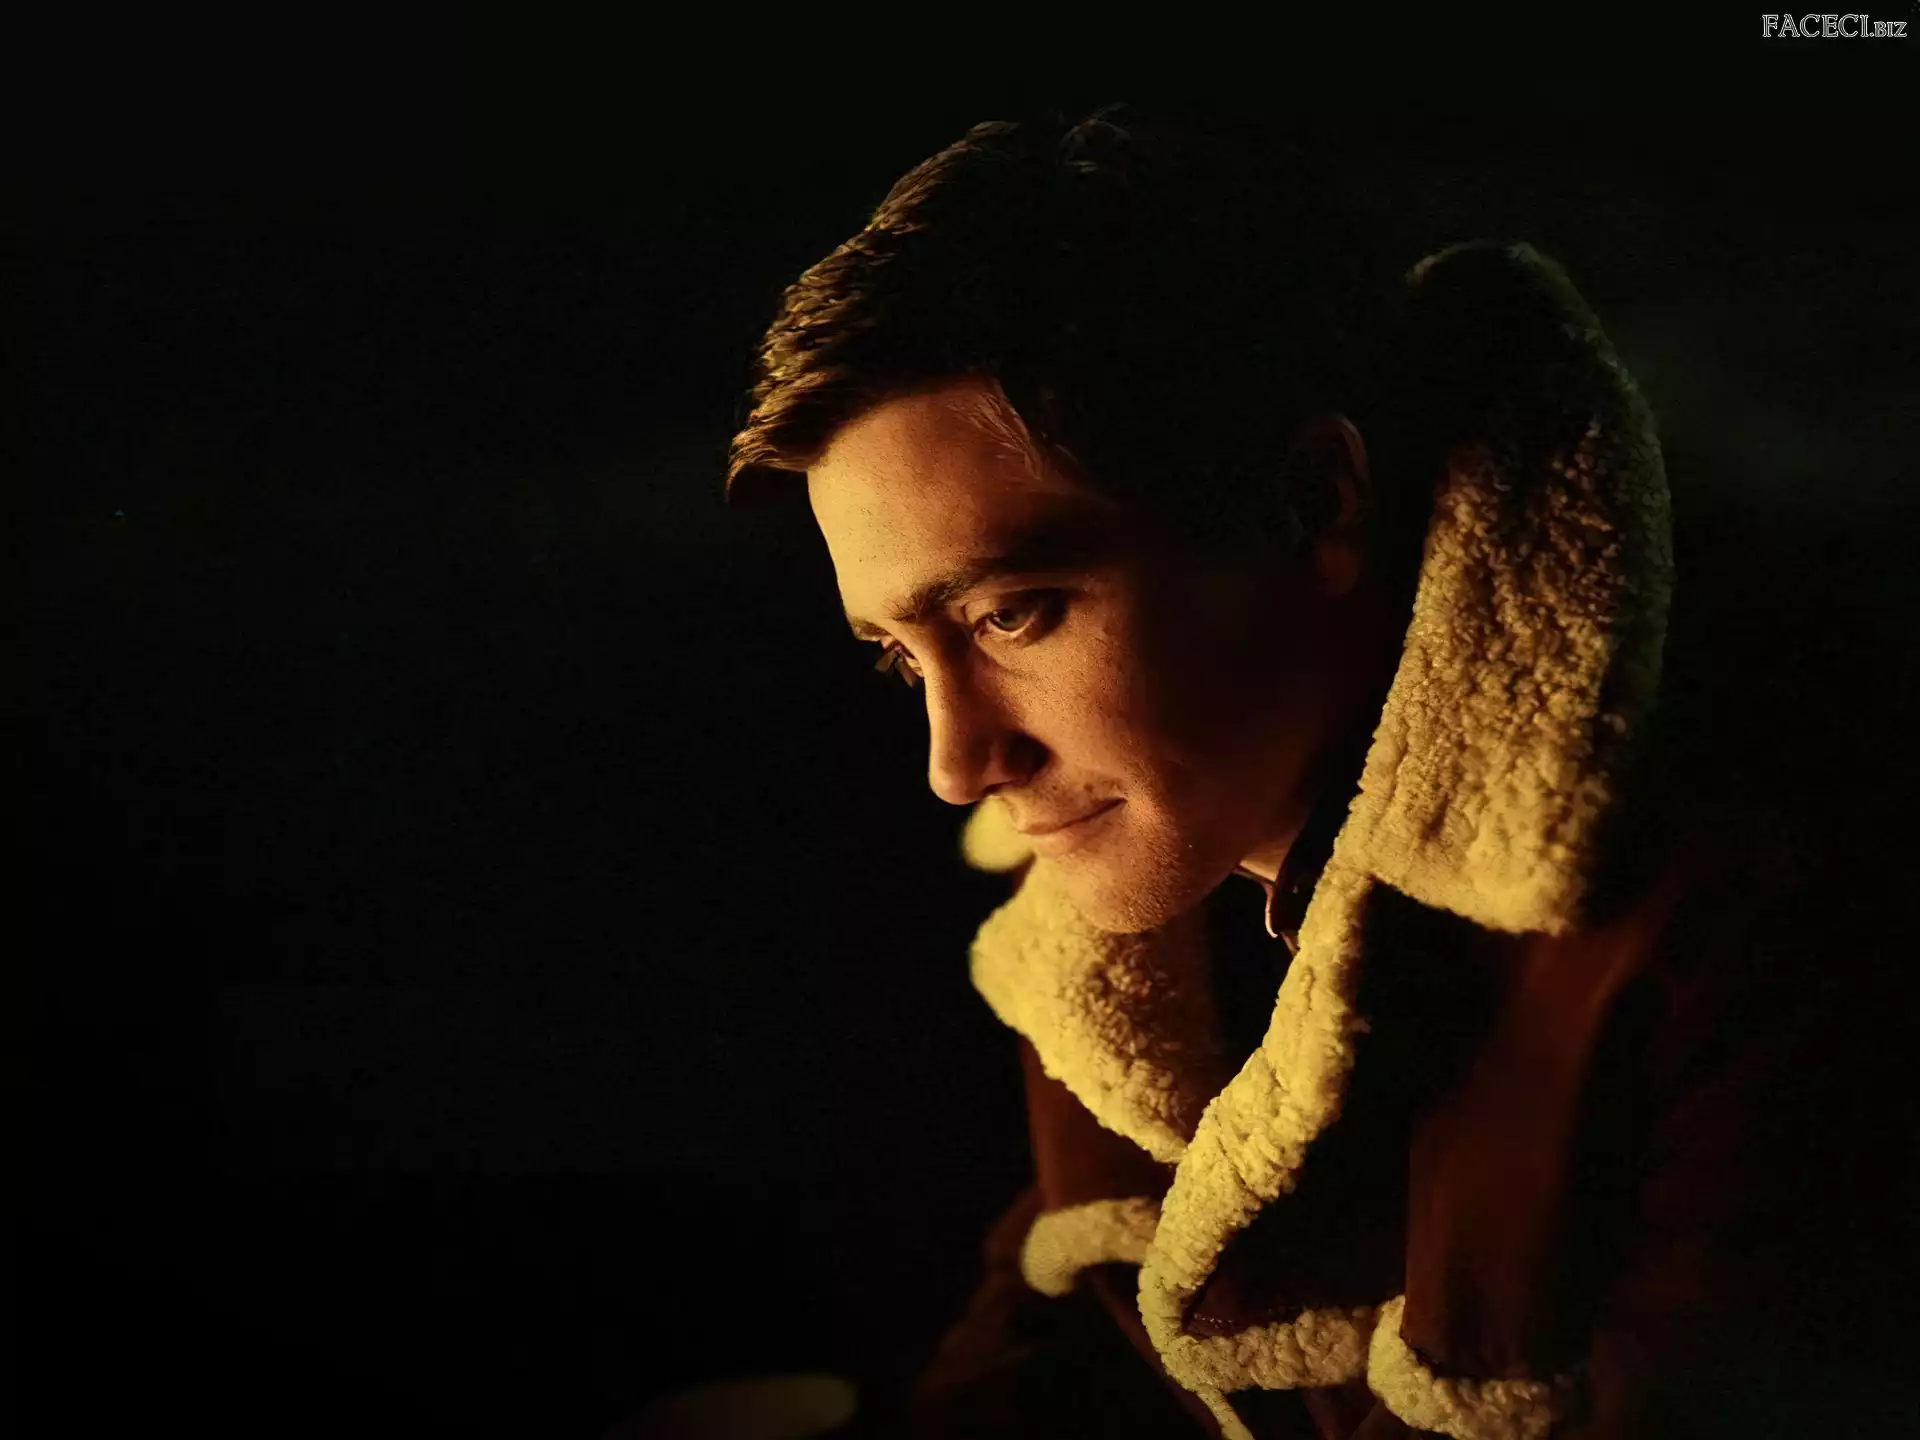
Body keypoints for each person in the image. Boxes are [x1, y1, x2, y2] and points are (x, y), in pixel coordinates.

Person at [722, 107, 1915, 1438]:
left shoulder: (1753, 935)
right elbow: (1055, 1366)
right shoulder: (1116, 950)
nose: (957, 764)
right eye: (900, 655)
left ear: (1315, 505)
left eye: (1013, 614)